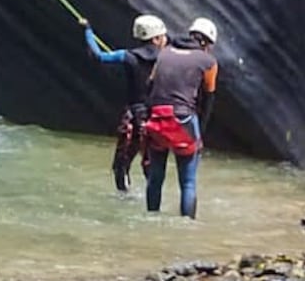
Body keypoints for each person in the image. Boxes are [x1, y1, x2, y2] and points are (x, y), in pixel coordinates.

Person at [80, 13, 167, 192]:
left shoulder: (127, 56)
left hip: (134, 115)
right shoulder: (168, 58)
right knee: (152, 161)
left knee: (122, 161)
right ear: (157, 38)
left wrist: (88, 31)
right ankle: (154, 200)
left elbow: (99, 57)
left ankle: (123, 195)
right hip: (157, 116)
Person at [143, 17, 218, 219]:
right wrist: (200, 132)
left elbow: (150, 86)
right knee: (188, 181)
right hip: (183, 120)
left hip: (157, 117)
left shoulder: (164, 53)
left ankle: (151, 218)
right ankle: (187, 225)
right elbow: (208, 98)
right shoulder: (208, 62)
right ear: (206, 42)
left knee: (155, 177)